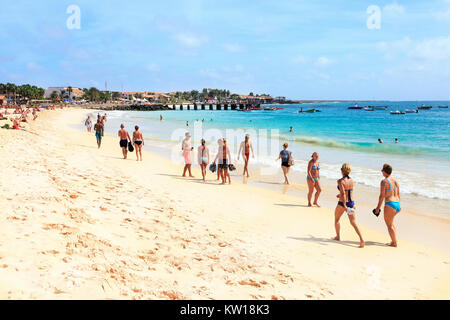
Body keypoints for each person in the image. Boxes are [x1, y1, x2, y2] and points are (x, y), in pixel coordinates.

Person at [332, 164, 365, 248]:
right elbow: (349, 191)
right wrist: (340, 195)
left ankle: (338, 237)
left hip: (343, 203)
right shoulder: (351, 180)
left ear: (342, 171)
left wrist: (344, 205)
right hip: (351, 203)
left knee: (336, 219)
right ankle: (361, 240)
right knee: (353, 223)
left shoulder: (340, 181)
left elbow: (343, 193)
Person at [374, 164, 401, 247]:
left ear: (385, 172)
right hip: (397, 204)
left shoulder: (384, 181)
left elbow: (382, 196)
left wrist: (378, 208)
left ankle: (394, 243)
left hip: (390, 204)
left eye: (382, 170)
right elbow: (399, 194)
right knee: (391, 223)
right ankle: (394, 240)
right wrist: (398, 206)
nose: (381, 172)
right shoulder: (395, 181)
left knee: (389, 225)